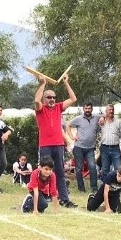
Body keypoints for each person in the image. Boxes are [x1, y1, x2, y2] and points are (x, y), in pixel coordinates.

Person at [33, 71, 78, 208]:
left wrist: (66, 82)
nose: (52, 99)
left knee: (59, 173)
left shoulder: (58, 107)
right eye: (49, 97)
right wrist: (42, 84)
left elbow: (73, 98)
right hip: (45, 145)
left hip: (58, 145)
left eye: (54, 97)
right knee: (43, 172)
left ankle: (64, 199)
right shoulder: (41, 109)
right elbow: (36, 100)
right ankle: (41, 197)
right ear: (45, 99)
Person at [67, 102, 100, 193]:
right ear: (83, 109)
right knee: (78, 168)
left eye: (89, 108)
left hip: (90, 148)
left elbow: (105, 116)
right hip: (79, 147)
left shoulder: (96, 117)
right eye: (86, 108)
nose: (87, 110)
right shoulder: (78, 119)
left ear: (92, 109)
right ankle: (81, 188)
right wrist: (72, 137)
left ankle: (94, 188)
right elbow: (68, 125)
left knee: (93, 167)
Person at [97, 104, 121, 180]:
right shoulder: (101, 122)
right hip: (104, 148)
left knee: (118, 168)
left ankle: (118, 186)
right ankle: (105, 186)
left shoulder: (119, 122)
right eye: (109, 110)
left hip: (115, 148)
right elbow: (93, 116)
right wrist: (102, 117)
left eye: (112, 110)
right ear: (105, 111)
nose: (111, 111)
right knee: (105, 169)